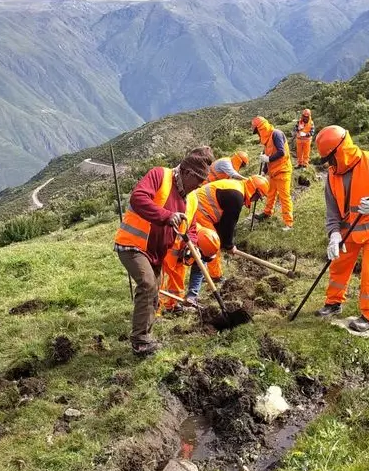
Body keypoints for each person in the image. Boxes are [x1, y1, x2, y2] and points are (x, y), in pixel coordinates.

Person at [113, 146, 214, 356]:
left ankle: (146, 337)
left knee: (154, 291)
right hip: (133, 245)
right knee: (148, 284)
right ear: (187, 173)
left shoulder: (191, 198)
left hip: (156, 253)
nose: (199, 187)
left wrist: (191, 245)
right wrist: (166, 216)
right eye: (198, 181)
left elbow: (192, 228)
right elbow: (138, 198)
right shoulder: (160, 175)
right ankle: (140, 341)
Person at [313, 125, 369, 333]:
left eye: (330, 158)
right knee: (338, 266)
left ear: (340, 150)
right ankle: (333, 303)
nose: (329, 164)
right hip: (348, 231)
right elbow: (332, 210)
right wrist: (334, 235)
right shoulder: (332, 175)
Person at [185, 175, 270, 302]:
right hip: (199, 210)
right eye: (258, 197)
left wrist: (227, 244)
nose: (255, 200)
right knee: (210, 245)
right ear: (254, 191)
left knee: (213, 243)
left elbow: (226, 222)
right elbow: (229, 224)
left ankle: (211, 275)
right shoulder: (236, 196)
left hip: (201, 208)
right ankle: (213, 278)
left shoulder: (237, 188)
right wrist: (229, 245)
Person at [159, 225, 221, 315]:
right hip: (165, 256)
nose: (202, 259)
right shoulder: (178, 237)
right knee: (162, 283)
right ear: (197, 248)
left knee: (177, 282)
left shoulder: (205, 241)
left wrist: (192, 295)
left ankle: (173, 305)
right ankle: (157, 311)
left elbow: (199, 270)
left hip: (180, 256)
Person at [251, 116, 294, 231]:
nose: (258, 134)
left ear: (261, 128)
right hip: (273, 172)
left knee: (284, 197)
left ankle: (288, 223)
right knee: (271, 193)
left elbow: (281, 152)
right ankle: (267, 213)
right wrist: (264, 171)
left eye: (257, 131)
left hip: (283, 171)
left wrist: (268, 159)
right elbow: (269, 155)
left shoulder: (276, 134)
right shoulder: (266, 140)